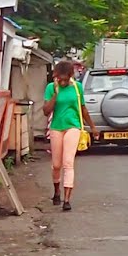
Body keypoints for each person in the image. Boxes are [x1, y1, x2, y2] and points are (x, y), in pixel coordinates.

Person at [42, 60, 93, 211]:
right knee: (56, 165)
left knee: (68, 163)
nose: (63, 82)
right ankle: (56, 191)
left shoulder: (77, 88)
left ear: (71, 76)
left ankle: (67, 199)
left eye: (65, 79)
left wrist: (93, 127)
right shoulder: (51, 88)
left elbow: (82, 108)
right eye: (60, 79)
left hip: (73, 126)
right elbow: (46, 111)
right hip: (57, 127)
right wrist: (55, 95)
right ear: (55, 77)